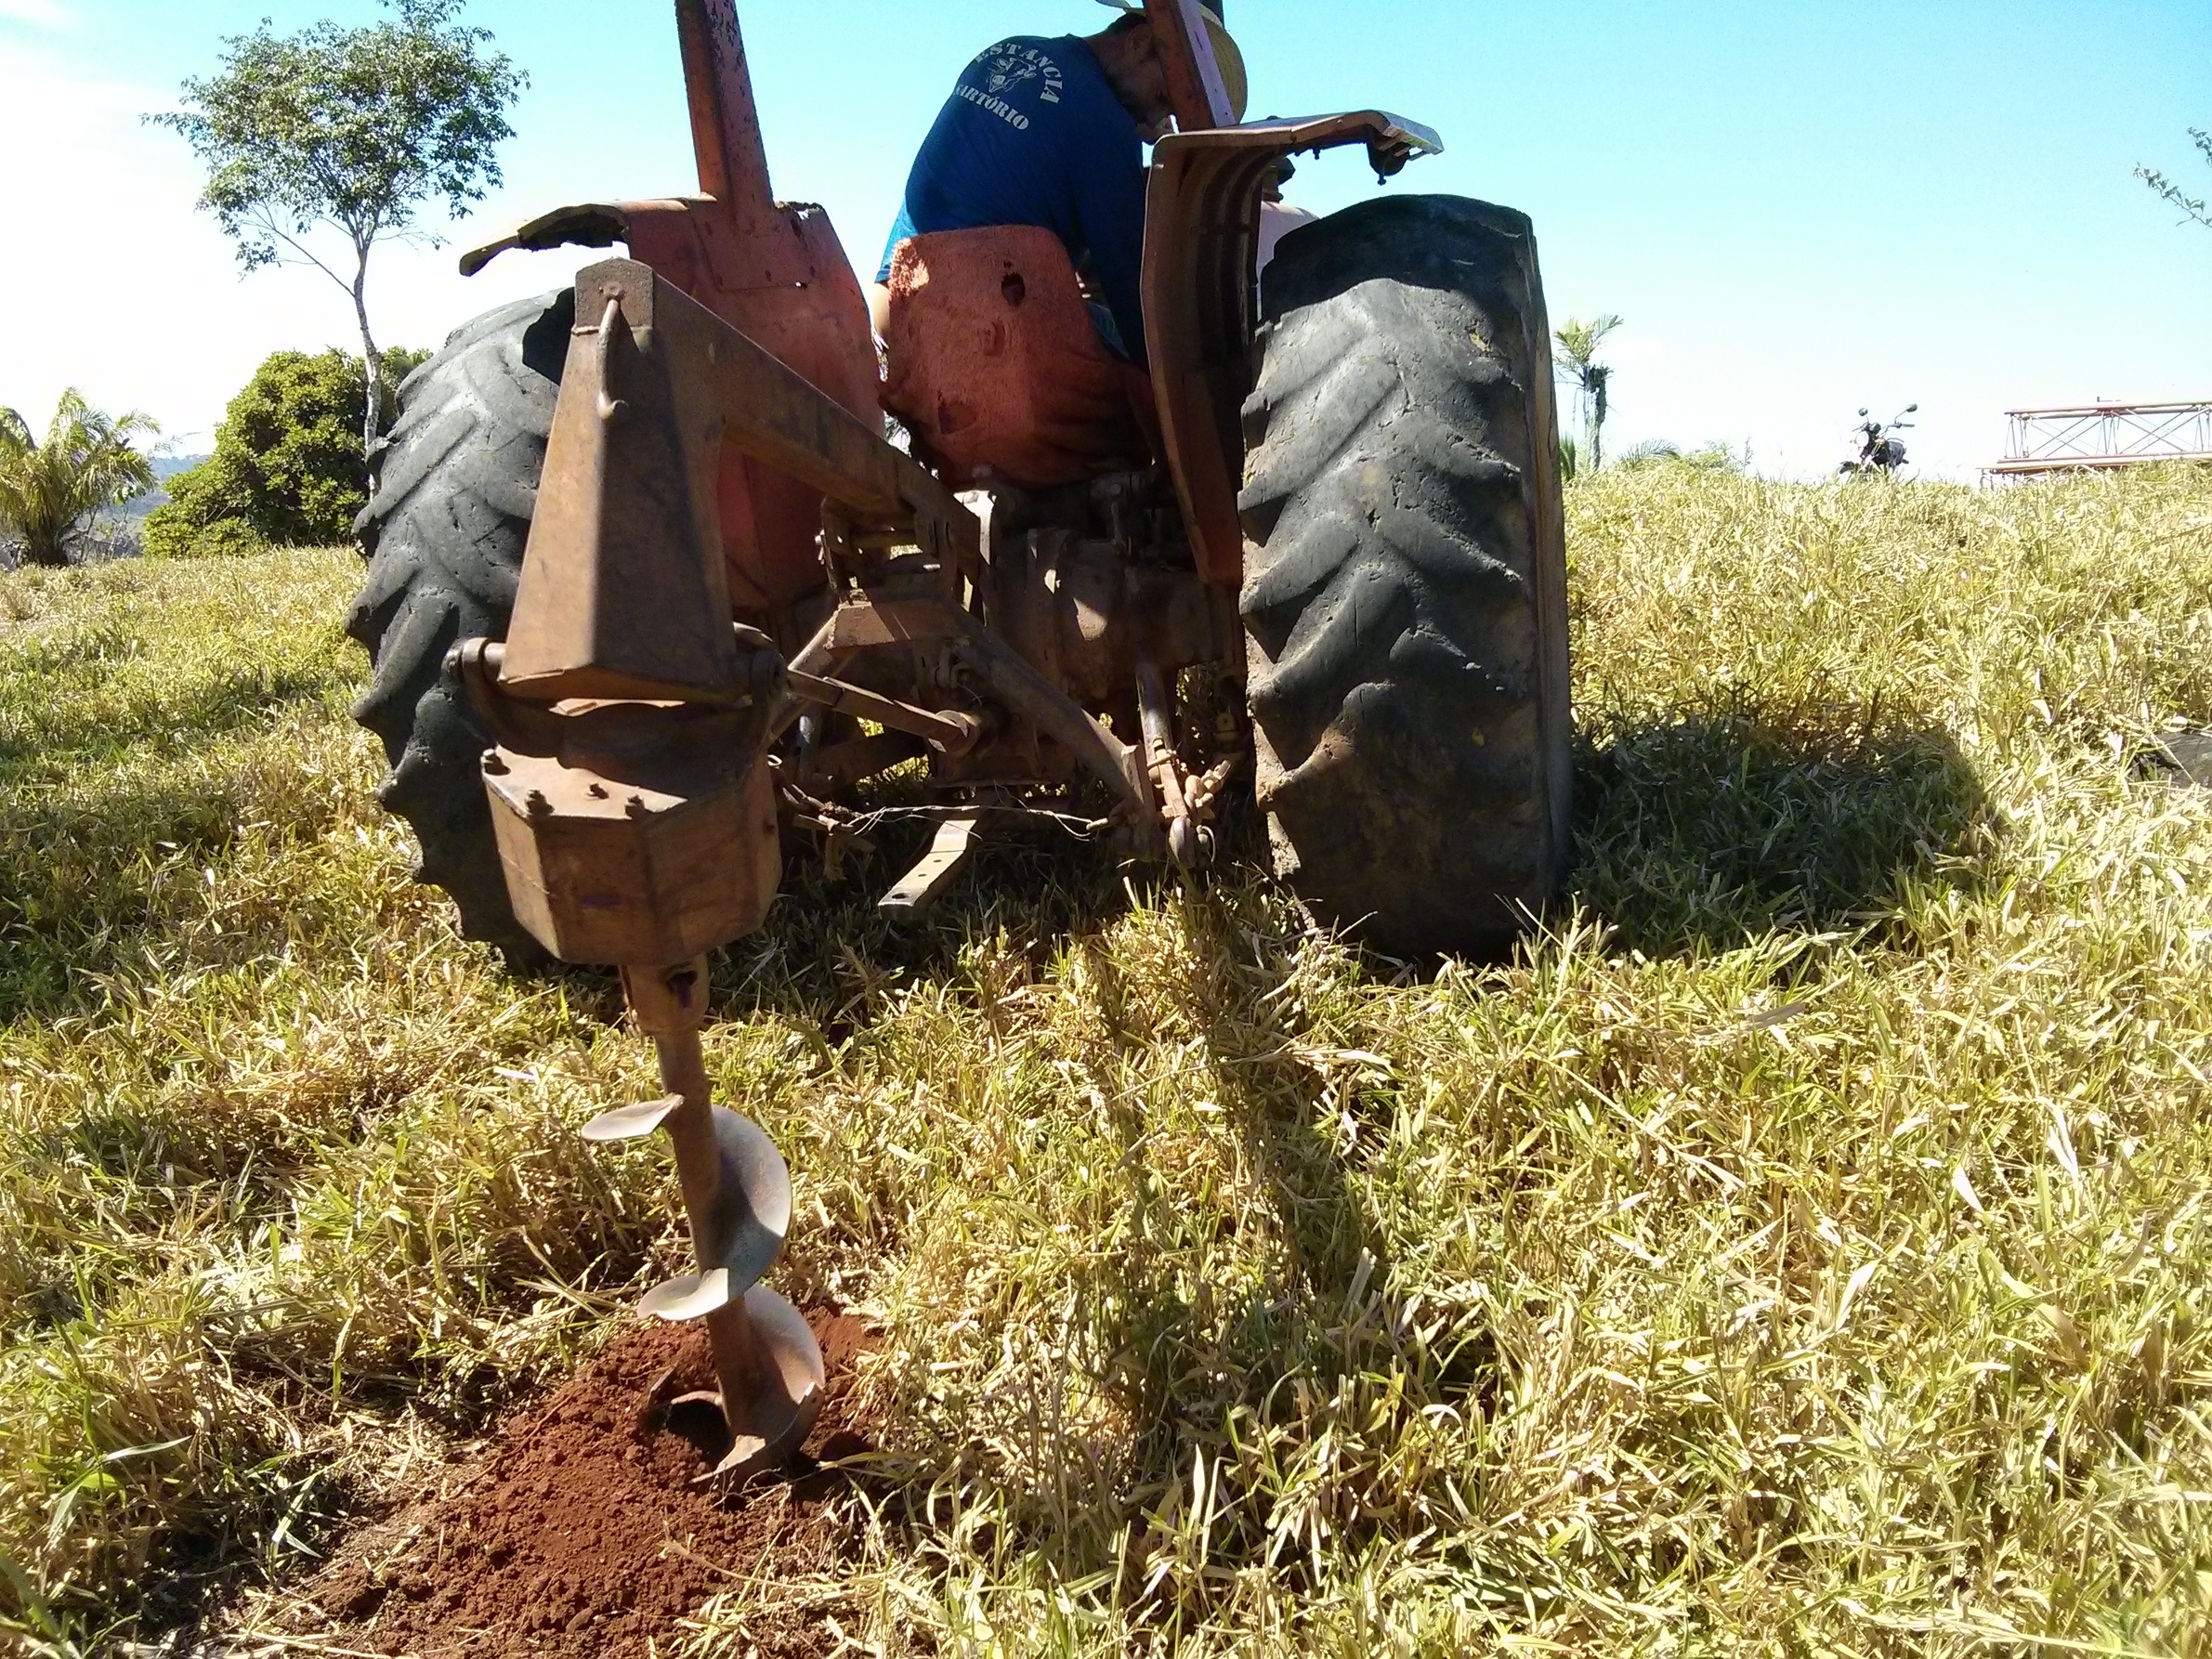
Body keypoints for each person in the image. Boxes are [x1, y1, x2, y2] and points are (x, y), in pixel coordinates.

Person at [872, 3, 1247, 365]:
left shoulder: (1010, 49)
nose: (1153, 119)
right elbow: (1135, 296)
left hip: (891, 299)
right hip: (969, 321)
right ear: (1141, 42)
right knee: (1145, 351)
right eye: (1161, 99)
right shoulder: (1104, 124)